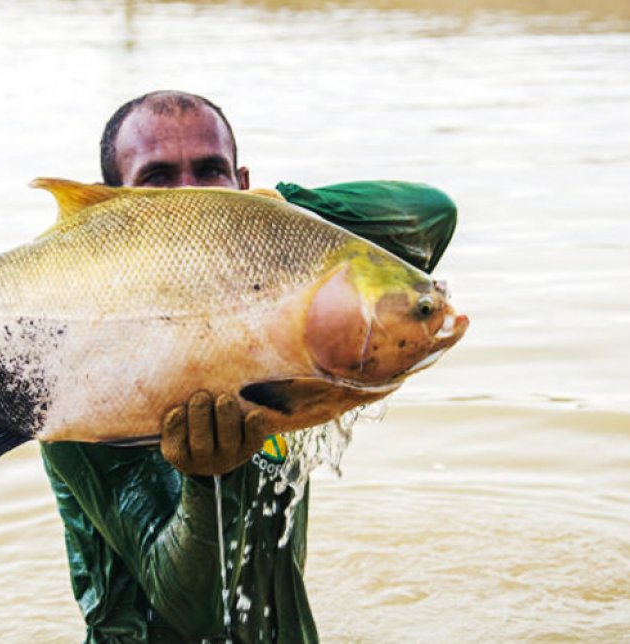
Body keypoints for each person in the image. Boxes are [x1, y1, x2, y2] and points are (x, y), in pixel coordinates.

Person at [40, 91, 457, 643]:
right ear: (115, 211)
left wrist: (271, 216)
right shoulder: (77, 379)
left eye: (209, 173)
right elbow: (193, 612)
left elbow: (431, 213)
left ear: (241, 183)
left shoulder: (278, 326)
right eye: (158, 179)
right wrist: (206, 482)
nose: (191, 199)